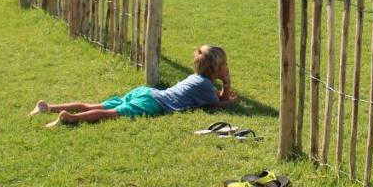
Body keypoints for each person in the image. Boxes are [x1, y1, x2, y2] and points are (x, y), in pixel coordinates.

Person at [29, 44, 237, 126]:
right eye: (224, 65)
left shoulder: (196, 79)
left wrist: (223, 90)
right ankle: (69, 117)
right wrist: (226, 86)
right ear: (213, 70)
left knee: (97, 105)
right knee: (111, 114)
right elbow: (217, 104)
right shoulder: (206, 86)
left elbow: (214, 98)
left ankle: (48, 107)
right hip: (153, 103)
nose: (227, 68)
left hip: (146, 92)